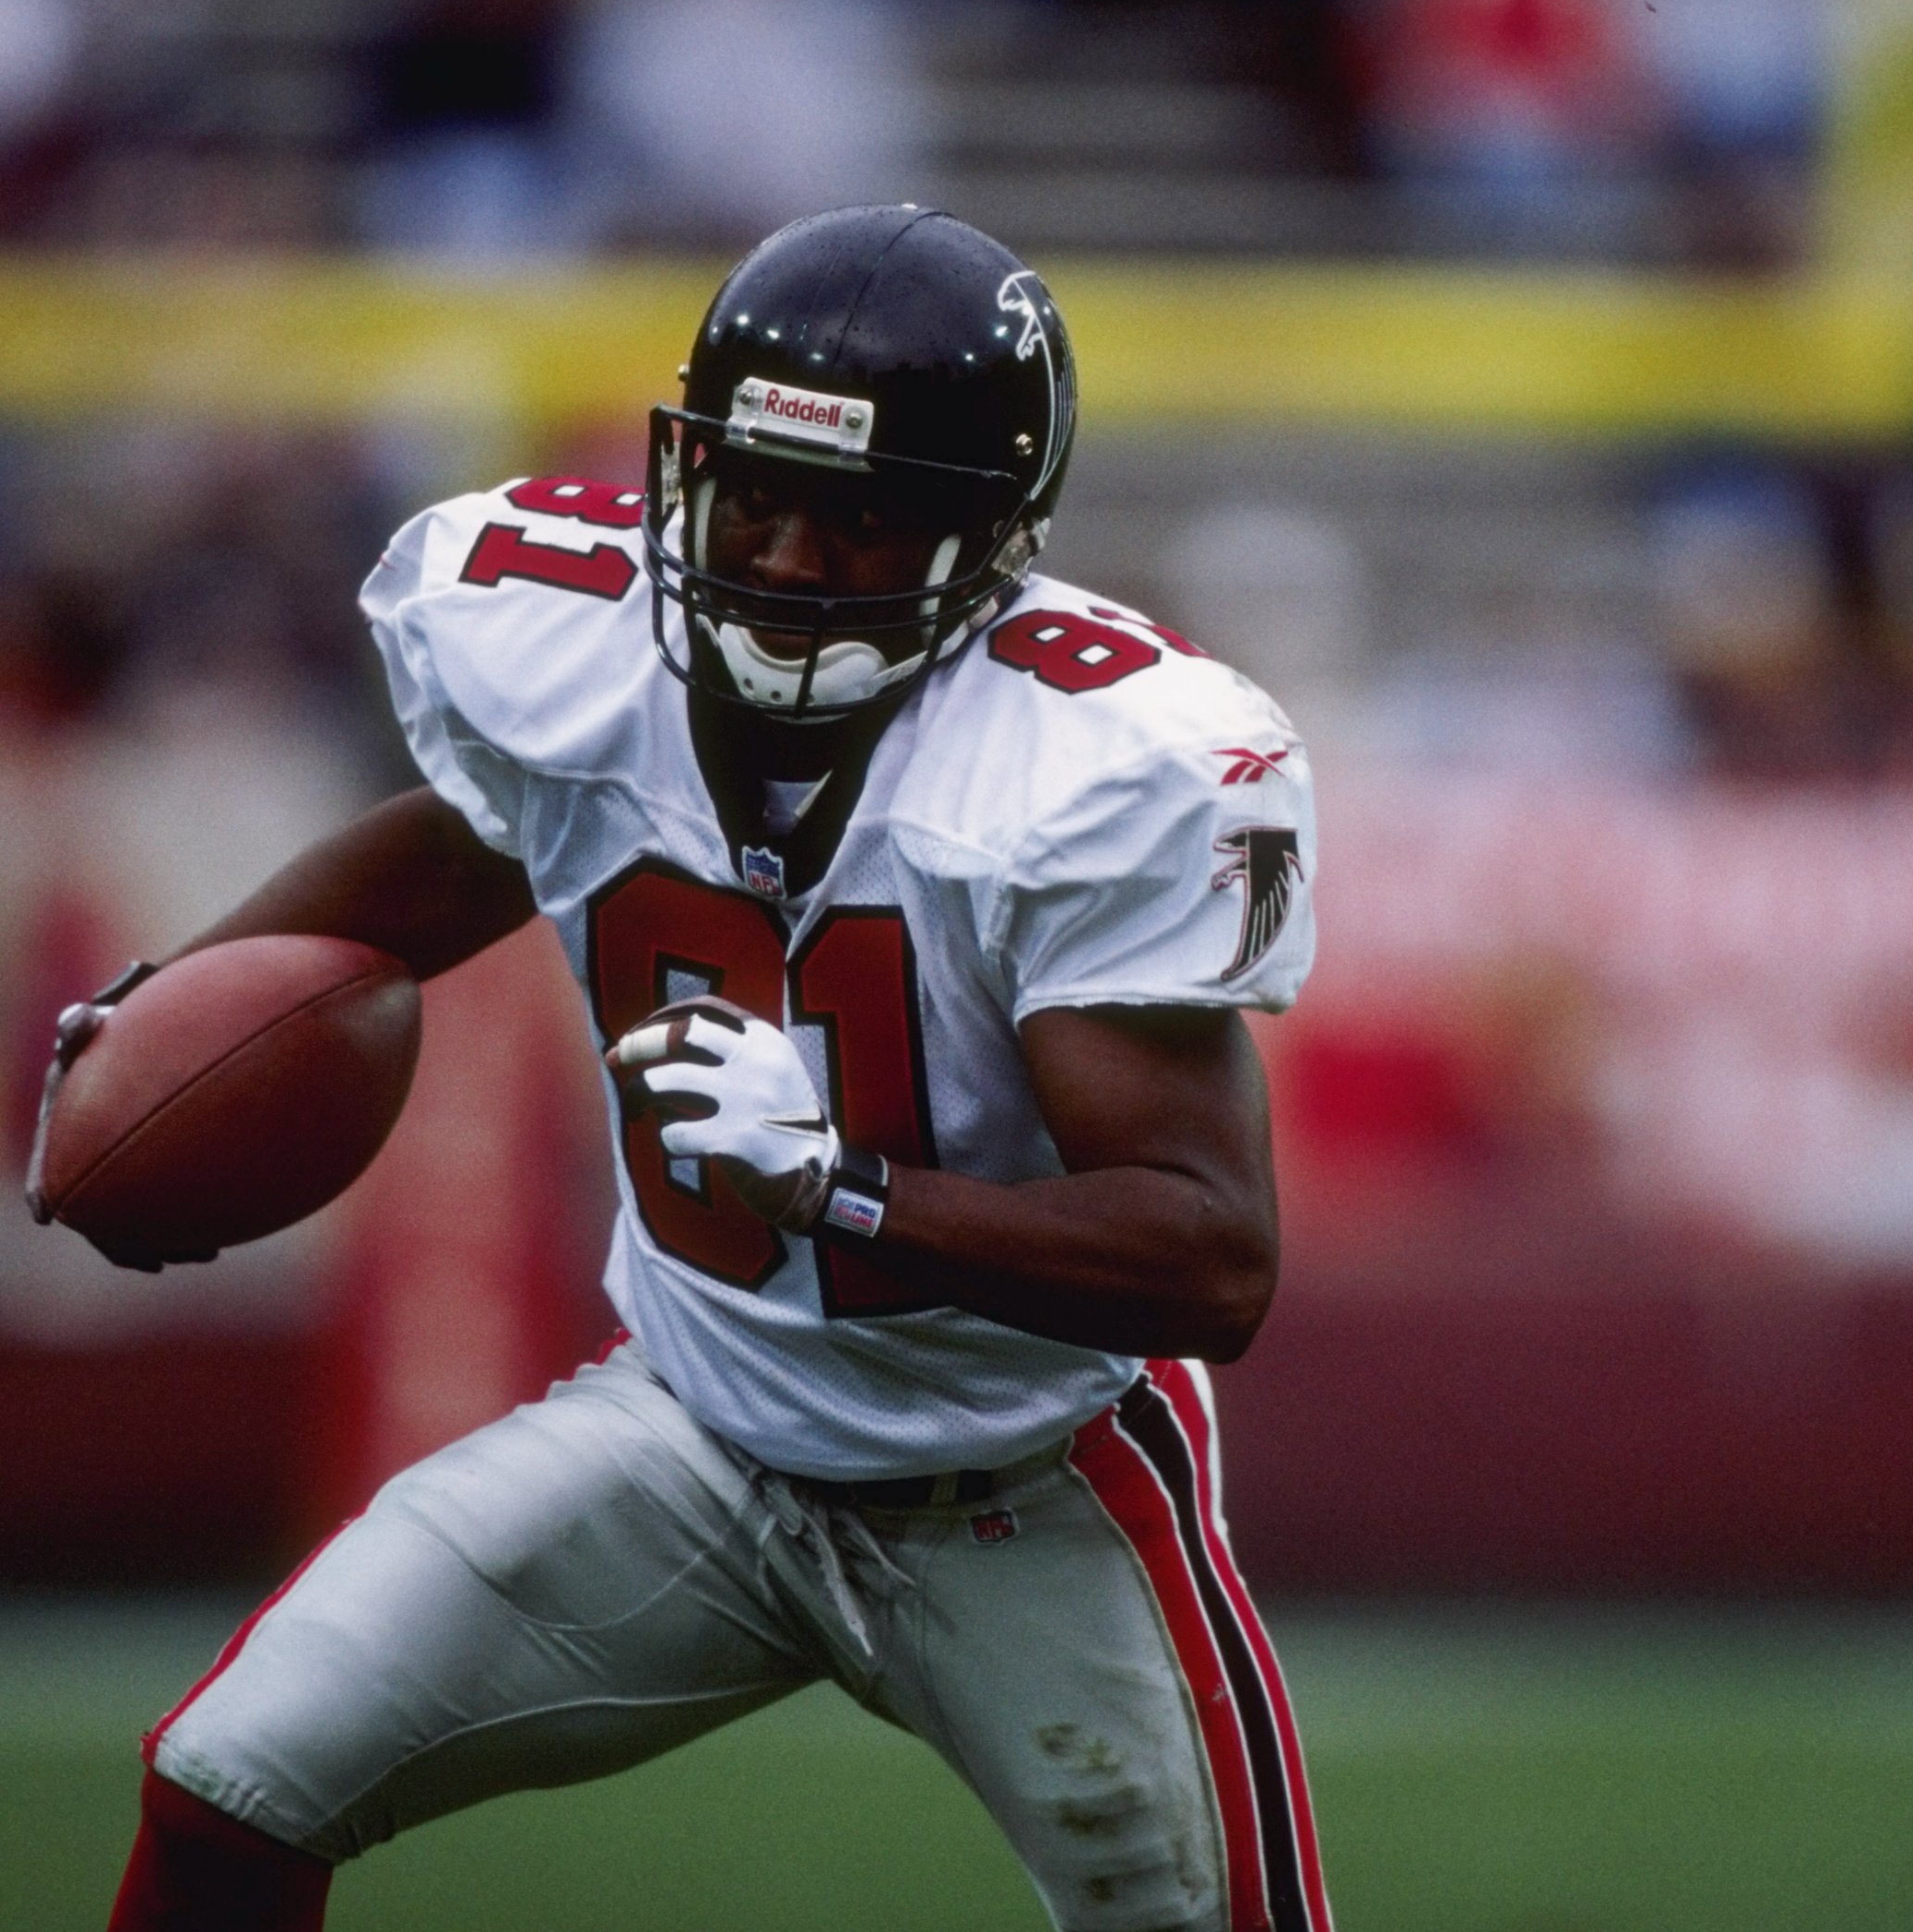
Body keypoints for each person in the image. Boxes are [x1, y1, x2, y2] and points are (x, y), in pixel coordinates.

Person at [40, 206, 1329, 1932]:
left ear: (982, 540)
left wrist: (838, 1182)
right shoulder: (574, 646)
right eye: (755, 497)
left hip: (1028, 1487)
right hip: (694, 1438)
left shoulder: (1093, 771)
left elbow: (1210, 1255)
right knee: (233, 1780)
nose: (788, 557)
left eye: (862, 518)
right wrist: (176, 1007)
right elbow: (463, 848)